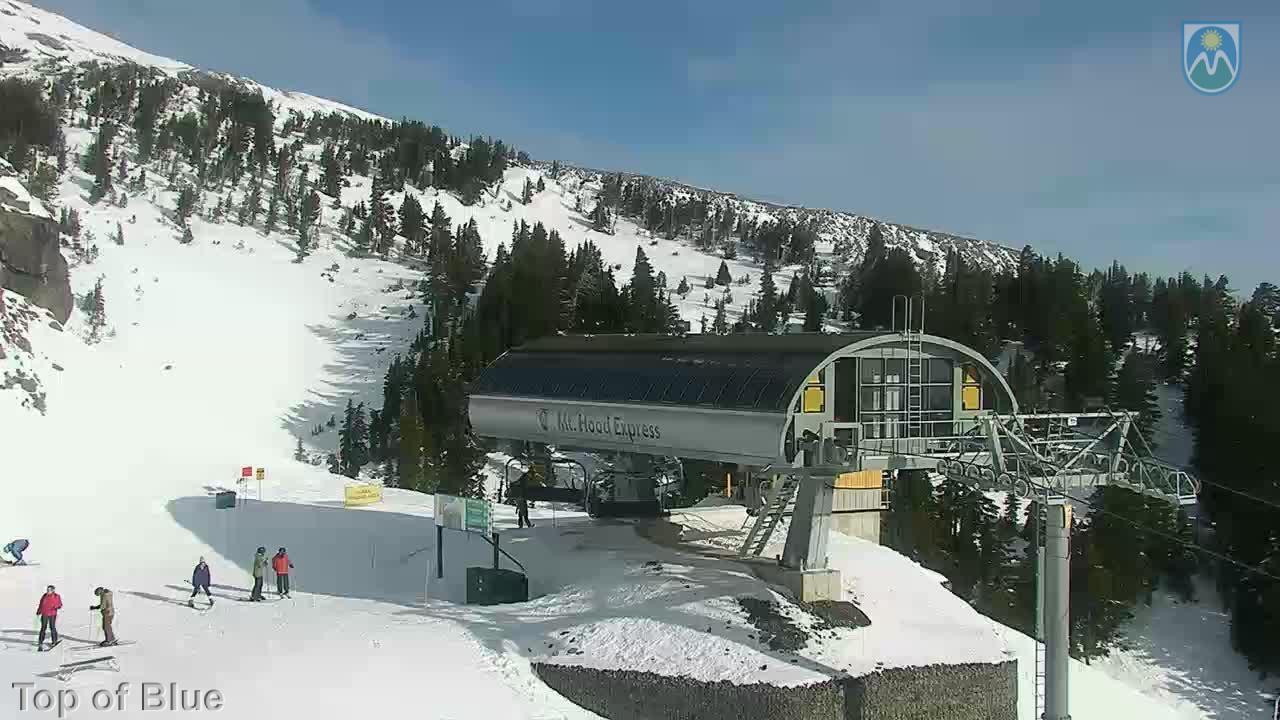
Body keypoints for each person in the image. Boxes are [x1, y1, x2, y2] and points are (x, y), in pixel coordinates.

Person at [35, 585, 61, 651]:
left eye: (49, 590)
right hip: (44, 614)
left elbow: (60, 604)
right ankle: (40, 641)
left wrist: (56, 606)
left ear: (53, 590)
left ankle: (54, 641)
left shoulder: (56, 596)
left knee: (52, 627)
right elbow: (41, 604)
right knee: (43, 627)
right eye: (47, 590)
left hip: (52, 614)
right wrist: (38, 611)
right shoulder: (44, 596)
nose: (48, 591)